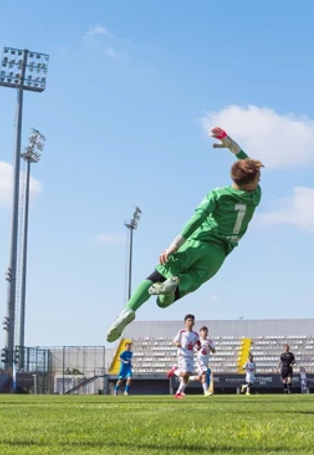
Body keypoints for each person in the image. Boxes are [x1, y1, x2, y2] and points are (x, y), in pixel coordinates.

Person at [106, 127, 264, 342]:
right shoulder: (255, 196)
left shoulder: (218, 194)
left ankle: (128, 309)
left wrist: (173, 246)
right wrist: (231, 145)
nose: (260, 179)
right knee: (166, 300)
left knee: (155, 276)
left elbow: (197, 219)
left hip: (197, 243)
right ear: (251, 183)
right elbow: (250, 168)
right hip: (217, 256)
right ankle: (174, 284)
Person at [167, 314, 199, 399]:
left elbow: (198, 344)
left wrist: (198, 347)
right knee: (185, 374)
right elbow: (174, 341)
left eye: (192, 320)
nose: (190, 322)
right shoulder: (182, 332)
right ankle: (174, 370)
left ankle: (178, 393)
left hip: (191, 356)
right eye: (189, 320)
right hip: (182, 355)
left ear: (194, 323)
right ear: (185, 322)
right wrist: (177, 344)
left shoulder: (195, 335)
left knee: (187, 376)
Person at [195, 326, 216, 397]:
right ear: (200, 333)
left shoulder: (210, 341)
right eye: (203, 331)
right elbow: (195, 350)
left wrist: (209, 347)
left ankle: (188, 378)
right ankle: (206, 392)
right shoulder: (198, 341)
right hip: (200, 359)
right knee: (204, 374)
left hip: (206, 360)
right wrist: (199, 347)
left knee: (200, 377)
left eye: (206, 331)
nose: (205, 332)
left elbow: (214, 351)